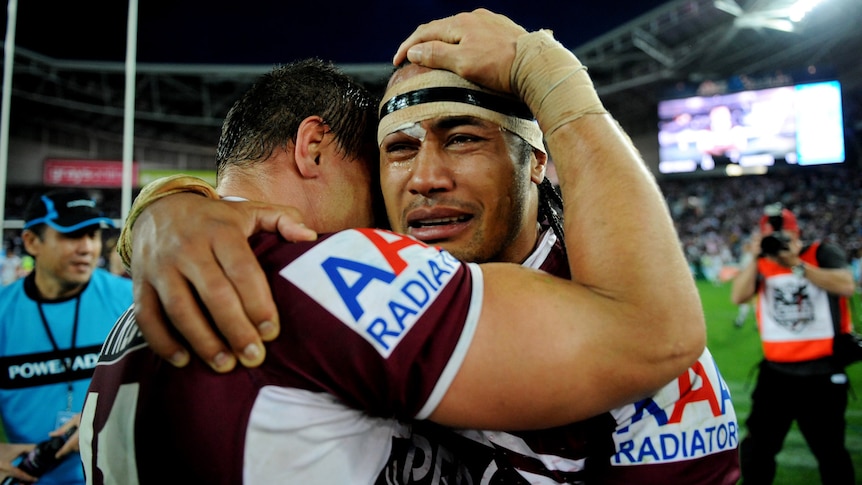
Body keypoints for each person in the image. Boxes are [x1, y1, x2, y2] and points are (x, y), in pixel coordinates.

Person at [82, 12, 711, 484]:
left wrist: (169, 206)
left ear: (535, 161)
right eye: (396, 151)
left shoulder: (149, 302)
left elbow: (658, 335)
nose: (421, 180)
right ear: (313, 148)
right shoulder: (335, 280)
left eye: (462, 138)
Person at [0, 189, 133, 485]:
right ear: (32, 242)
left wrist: (105, 415)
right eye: (72, 236)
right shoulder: (3, 313)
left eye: (93, 235)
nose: (87, 247)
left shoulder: (131, 301)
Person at [730, 202, 856, 484]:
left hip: (822, 372)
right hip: (776, 374)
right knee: (758, 450)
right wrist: (753, 257)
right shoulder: (761, 263)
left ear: (796, 234)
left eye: (782, 237)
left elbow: (846, 285)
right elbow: (738, 297)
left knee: (831, 452)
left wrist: (796, 265)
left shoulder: (820, 253)